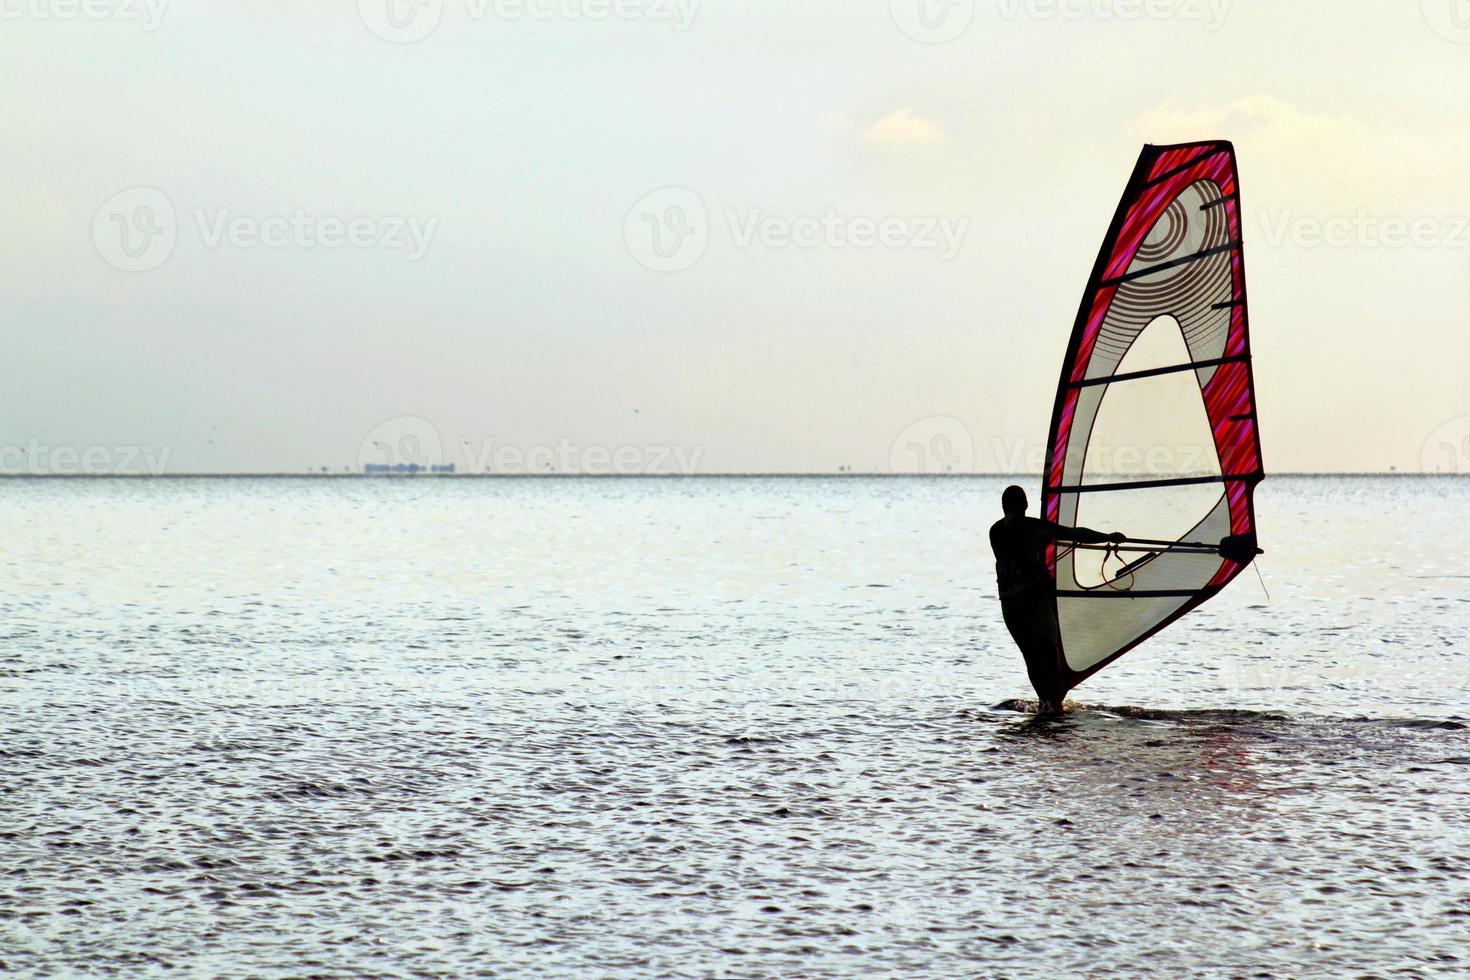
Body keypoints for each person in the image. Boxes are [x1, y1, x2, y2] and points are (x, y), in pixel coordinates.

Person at [989, 484, 1125, 715]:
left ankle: (1045, 703)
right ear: (1025, 505)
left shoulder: (994, 531)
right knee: (1049, 652)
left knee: (1030, 657)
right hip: (1033, 601)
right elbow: (1076, 534)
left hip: (1010, 604)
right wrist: (1107, 537)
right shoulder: (1035, 528)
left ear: (1003, 507)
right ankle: (1054, 704)